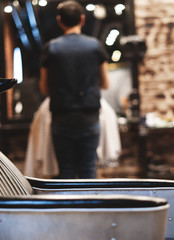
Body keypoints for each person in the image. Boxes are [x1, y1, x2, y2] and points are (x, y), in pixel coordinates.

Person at [39, 0, 109, 179]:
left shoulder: (51, 48)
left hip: (62, 118)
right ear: (83, 20)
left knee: (66, 173)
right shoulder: (95, 46)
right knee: (88, 171)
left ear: (59, 20)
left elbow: (44, 88)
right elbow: (106, 83)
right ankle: (90, 207)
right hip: (89, 117)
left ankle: (69, 207)